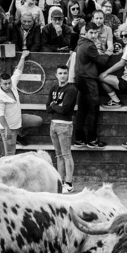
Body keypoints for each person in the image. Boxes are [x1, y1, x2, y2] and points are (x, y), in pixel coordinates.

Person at [0, 51, 43, 155]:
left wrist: (23, 57)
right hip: (9, 128)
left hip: (18, 121)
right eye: (5, 84)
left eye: (9, 83)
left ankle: (21, 134)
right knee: (10, 153)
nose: (8, 86)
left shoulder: (12, 85)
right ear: (0, 83)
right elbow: (0, 115)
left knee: (38, 121)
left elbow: (18, 70)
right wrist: (7, 129)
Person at [72, 24, 112, 147]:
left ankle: (78, 138)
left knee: (82, 109)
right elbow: (101, 61)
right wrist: (108, 53)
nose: (94, 35)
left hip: (80, 78)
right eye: (91, 33)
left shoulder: (81, 42)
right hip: (88, 80)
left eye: (95, 33)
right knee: (93, 110)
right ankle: (92, 139)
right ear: (86, 32)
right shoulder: (89, 45)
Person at [45, 63, 77, 192]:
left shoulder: (71, 89)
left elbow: (64, 109)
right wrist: (55, 105)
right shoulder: (53, 88)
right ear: (56, 75)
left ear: (67, 74)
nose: (63, 76)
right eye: (60, 73)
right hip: (53, 125)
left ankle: (69, 184)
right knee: (58, 155)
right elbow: (47, 108)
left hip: (64, 125)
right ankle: (60, 181)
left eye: (65, 73)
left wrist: (54, 105)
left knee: (66, 154)